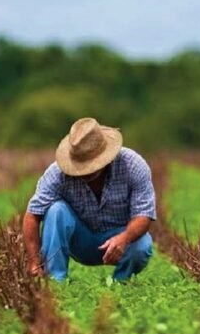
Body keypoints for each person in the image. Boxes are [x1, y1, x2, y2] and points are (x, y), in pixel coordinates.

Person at [23, 117, 156, 282]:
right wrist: (34, 263)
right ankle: (55, 282)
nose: (86, 171)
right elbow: (32, 215)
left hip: (120, 237)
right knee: (56, 210)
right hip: (80, 241)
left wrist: (124, 238)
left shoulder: (133, 165)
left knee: (142, 245)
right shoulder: (57, 173)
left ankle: (121, 283)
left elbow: (144, 214)